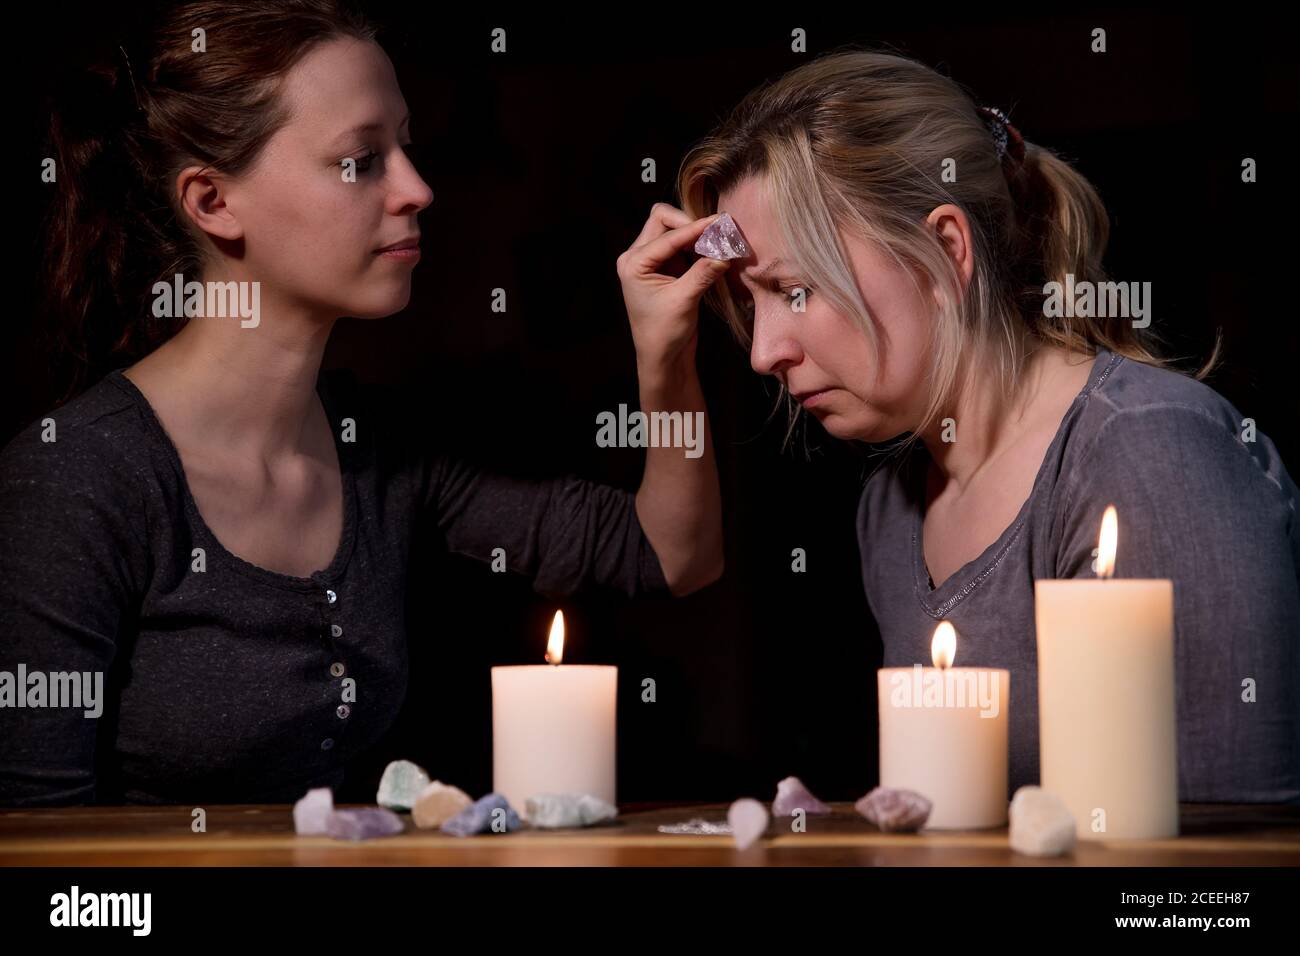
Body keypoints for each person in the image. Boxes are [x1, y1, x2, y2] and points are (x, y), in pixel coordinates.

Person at [0, 0, 724, 806]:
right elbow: (36, 842)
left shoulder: (379, 447)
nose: (417, 189)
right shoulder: (77, 477)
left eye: (405, 148)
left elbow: (672, 555)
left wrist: (665, 358)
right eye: (361, 161)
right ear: (212, 202)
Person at [677, 49, 1300, 802]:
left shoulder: (1149, 450)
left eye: (796, 291)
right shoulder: (892, 507)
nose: (764, 352)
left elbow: (1231, 861)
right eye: (752, 306)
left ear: (945, 251)